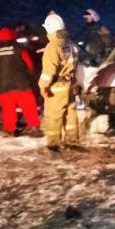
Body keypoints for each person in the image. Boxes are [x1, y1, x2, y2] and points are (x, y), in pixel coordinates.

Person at [0, 27, 42, 137]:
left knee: (8, 109)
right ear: (12, 35)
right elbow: (29, 65)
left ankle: (9, 129)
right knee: (28, 105)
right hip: (20, 84)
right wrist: (32, 79)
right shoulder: (19, 48)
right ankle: (34, 127)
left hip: (0, 87)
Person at [38, 12, 80, 148]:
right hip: (69, 83)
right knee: (70, 112)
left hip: (56, 85)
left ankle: (54, 143)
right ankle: (72, 140)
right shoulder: (71, 44)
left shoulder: (52, 46)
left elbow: (49, 70)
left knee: (53, 114)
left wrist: (43, 86)